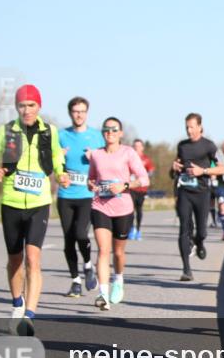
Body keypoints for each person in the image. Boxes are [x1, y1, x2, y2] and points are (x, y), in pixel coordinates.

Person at [0, 84, 69, 335]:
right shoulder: (6, 131)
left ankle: (29, 316)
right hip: (11, 201)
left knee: (33, 258)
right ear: (16, 107)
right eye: (22, 105)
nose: (27, 110)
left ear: (39, 106)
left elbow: (56, 159)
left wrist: (61, 174)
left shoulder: (50, 132)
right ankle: (17, 303)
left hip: (39, 203)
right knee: (15, 260)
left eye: (31, 105)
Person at [87, 118, 149, 310]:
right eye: (106, 129)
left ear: (120, 133)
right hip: (100, 206)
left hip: (123, 208)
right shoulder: (96, 155)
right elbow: (91, 179)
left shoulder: (128, 153)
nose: (110, 132)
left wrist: (125, 185)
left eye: (114, 129)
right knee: (103, 250)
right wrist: (91, 185)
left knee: (118, 252)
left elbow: (144, 179)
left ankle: (119, 279)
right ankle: (103, 294)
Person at [57, 96, 104, 298]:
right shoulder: (61, 136)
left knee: (81, 234)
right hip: (65, 194)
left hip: (86, 194)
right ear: (70, 113)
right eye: (76, 111)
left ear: (87, 113)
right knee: (68, 240)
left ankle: (87, 264)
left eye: (82, 111)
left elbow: (106, 161)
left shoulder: (96, 137)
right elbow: (52, 164)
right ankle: (75, 281)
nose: (79, 114)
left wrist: (95, 156)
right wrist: (58, 160)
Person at [171, 113, 224, 280]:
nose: (189, 130)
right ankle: (186, 270)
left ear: (200, 127)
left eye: (192, 126)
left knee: (202, 231)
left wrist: (204, 171)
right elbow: (176, 167)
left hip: (202, 193)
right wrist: (174, 167)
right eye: (187, 127)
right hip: (184, 192)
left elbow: (221, 169)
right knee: (184, 229)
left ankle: (199, 242)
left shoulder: (209, 146)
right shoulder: (182, 146)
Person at [128, 139, 155, 240]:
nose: (137, 148)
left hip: (142, 189)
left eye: (139, 146)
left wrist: (145, 176)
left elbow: (151, 171)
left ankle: (138, 230)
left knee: (139, 210)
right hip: (131, 187)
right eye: (135, 146)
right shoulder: (129, 158)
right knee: (130, 209)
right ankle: (131, 229)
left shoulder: (146, 159)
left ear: (142, 148)